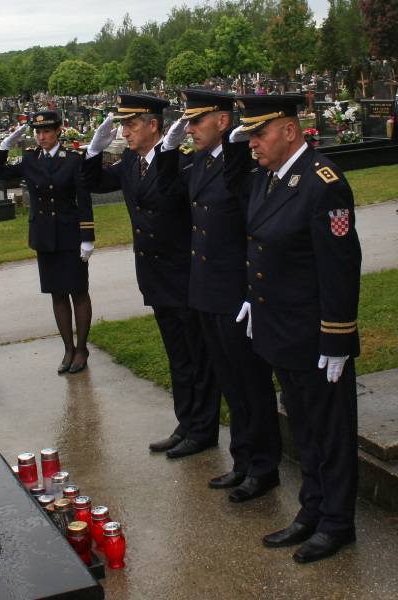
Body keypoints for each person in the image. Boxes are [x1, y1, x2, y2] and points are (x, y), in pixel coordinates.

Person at [224, 94, 362, 563]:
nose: (252, 144)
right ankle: (312, 510)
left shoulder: (324, 184)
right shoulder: (266, 179)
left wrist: (338, 338)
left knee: (331, 430)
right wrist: (251, 297)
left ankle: (338, 523)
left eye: (259, 134)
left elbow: (340, 267)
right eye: (249, 136)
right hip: (279, 329)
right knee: (303, 429)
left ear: (288, 130)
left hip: (314, 335)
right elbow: (264, 248)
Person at [157, 90, 282, 502]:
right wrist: (169, 151)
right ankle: (243, 459)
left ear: (223, 123)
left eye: (197, 122)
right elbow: (166, 195)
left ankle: (263, 467)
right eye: (187, 123)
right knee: (230, 382)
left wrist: (250, 289)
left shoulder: (241, 167)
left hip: (236, 294)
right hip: (206, 291)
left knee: (251, 384)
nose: (189, 128)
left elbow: (251, 226)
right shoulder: (196, 164)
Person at [83, 94, 220, 458]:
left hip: (184, 274)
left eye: (130, 124)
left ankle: (204, 429)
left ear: (153, 125)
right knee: (177, 354)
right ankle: (186, 422)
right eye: (123, 125)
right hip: (155, 275)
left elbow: (176, 193)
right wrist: (93, 152)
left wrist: (168, 156)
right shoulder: (130, 162)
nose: (123, 132)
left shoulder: (179, 163)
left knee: (197, 355)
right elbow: (94, 182)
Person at [0, 110, 95, 374]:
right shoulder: (30, 159)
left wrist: (87, 237)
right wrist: (4, 146)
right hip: (44, 237)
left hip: (70, 236)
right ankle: (68, 348)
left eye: (47, 131)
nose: (42, 137)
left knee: (78, 293)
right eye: (38, 132)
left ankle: (82, 348)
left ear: (58, 130)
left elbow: (83, 199)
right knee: (57, 294)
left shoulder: (72, 159)